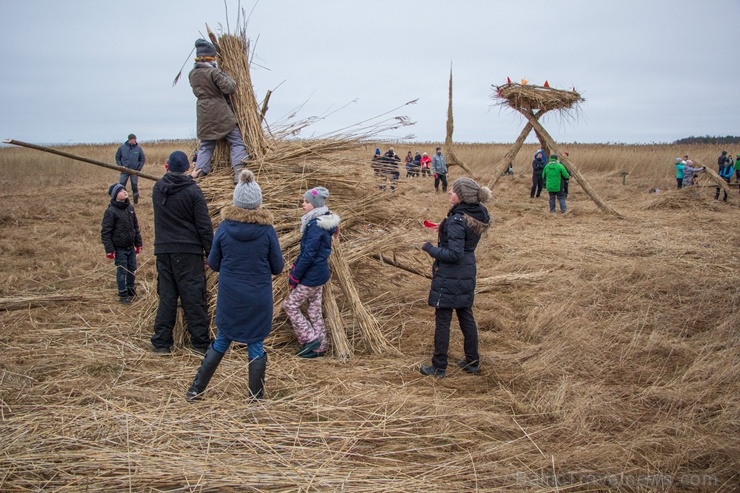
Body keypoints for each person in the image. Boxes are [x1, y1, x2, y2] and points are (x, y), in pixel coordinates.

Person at [186, 169, 284, 402]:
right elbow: (277, 267)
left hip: (230, 297)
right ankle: (255, 398)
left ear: (236, 200)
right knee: (256, 343)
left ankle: (196, 390)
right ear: (258, 203)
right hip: (258, 297)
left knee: (222, 339)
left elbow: (213, 263)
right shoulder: (267, 231)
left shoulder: (224, 229)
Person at [419, 177, 492, 377]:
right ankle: (472, 361)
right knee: (465, 315)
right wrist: (443, 228)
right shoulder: (476, 214)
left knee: (443, 319)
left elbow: (453, 254)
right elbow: (462, 239)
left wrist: (430, 248)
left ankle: (438, 366)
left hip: (451, 276)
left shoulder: (458, 220)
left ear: (463, 196)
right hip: (467, 273)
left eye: (453, 190)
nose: (449, 192)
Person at [151, 151, 214, 355]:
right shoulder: (193, 192)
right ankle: (200, 343)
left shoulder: (158, 189)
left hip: (164, 250)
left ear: (167, 167)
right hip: (188, 252)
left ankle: (161, 343)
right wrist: (211, 253)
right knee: (193, 296)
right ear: (188, 168)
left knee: (167, 297)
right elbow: (204, 226)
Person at [283, 187, 341, 358]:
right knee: (314, 310)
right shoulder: (322, 221)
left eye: (307, 202)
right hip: (320, 275)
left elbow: (308, 254)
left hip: (311, 277)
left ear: (315, 205)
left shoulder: (315, 225)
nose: (303, 204)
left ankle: (311, 339)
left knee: (290, 306)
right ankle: (320, 347)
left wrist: (295, 275)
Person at [189, 38, 248, 183]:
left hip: (203, 114)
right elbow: (230, 88)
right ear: (210, 57)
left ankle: (200, 174)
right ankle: (238, 172)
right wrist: (224, 75)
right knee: (236, 141)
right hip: (219, 112)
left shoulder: (192, 74)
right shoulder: (213, 72)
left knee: (206, 146)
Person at [101, 183, 142, 305]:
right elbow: (106, 232)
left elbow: (135, 227)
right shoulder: (111, 212)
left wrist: (138, 243)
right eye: (120, 190)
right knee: (122, 270)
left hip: (130, 247)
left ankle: (131, 290)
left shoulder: (130, 208)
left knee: (132, 269)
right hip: (119, 248)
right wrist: (109, 250)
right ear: (114, 196)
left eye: (124, 189)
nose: (124, 191)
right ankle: (123, 293)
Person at [115, 134, 146, 205]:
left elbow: (142, 159)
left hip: (134, 171)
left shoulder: (138, 148)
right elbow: (117, 157)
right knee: (121, 185)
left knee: (134, 186)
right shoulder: (122, 148)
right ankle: (121, 201)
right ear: (130, 140)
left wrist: (138, 168)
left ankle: (136, 202)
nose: (135, 140)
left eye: (135, 139)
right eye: (134, 139)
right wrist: (120, 166)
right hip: (124, 170)